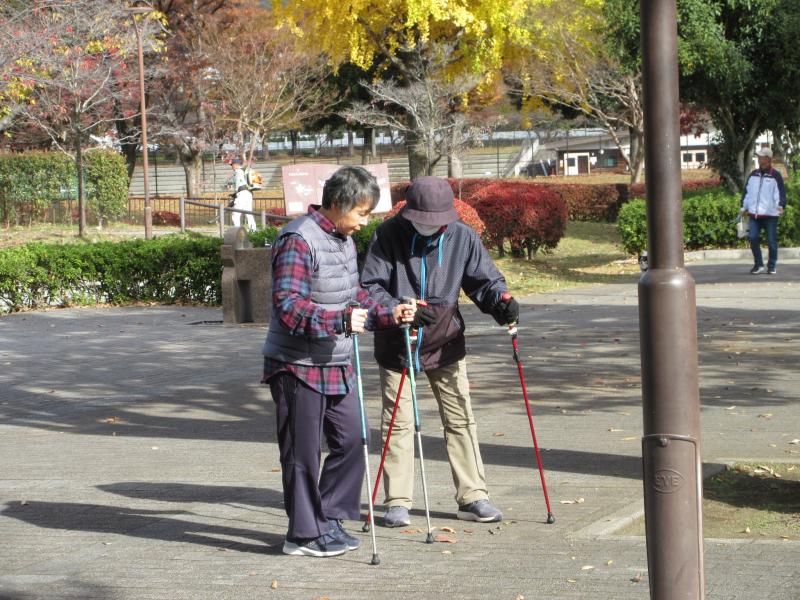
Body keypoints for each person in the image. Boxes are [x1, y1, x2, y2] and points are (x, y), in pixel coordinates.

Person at [261, 166, 415, 558]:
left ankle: (326, 519)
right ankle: (302, 535)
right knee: (302, 454)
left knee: (353, 440)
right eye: (362, 213)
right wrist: (339, 321)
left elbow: (355, 296)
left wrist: (390, 312)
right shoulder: (297, 239)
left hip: (336, 361)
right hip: (297, 365)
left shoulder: (342, 239)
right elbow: (288, 308)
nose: (365, 223)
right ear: (338, 203)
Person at [361, 176, 520, 528]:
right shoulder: (387, 236)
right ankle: (398, 501)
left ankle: (473, 495)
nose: (432, 227)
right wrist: (398, 306)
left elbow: (485, 282)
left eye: (438, 221)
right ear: (409, 213)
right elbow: (369, 287)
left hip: (445, 339)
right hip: (397, 339)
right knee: (397, 423)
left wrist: (502, 303)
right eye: (423, 220)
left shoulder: (462, 236)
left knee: (460, 417)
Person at [741, 147, 787, 275]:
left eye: (762, 156)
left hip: (770, 215)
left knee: (771, 241)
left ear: (768, 159)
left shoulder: (775, 175)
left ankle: (771, 266)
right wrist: (743, 207)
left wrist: (781, 205)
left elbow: (781, 193)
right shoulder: (753, 174)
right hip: (754, 214)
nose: (759, 158)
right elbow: (747, 192)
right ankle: (758, 265)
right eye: (759, 156)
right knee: (752, 237)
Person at [229, 157, 257, 230]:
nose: (232, 167)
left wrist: (235, 194)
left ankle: (236, 231)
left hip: (242, 194)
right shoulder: (246, 171)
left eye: (232, 165)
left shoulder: (238, 172)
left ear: (235, 165)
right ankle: (253, 230)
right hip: (249, 193)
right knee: (249, 213)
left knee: (235, 214)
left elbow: (238, 185)